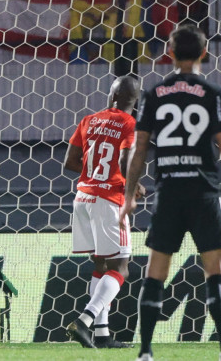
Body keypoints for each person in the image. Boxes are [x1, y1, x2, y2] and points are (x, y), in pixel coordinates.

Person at [122, 24, 221, 361]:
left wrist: (129, 195)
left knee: (156, 271)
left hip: (169, 192)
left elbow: (140, 148)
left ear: (170, 52)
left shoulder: (155, 93)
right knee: (215, 270)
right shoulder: (211, 93)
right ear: (205, 54)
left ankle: (146, 351)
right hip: (204, 190)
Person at [64, 75, 140, 349]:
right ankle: (84, 321)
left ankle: (102, 335)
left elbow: (70, 161)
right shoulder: (129, 123)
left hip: (83, 196)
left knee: (100, 265)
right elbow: (124, 159)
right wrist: (131, 188)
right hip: (109, 200)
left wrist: (96, 174)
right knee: (121, 267)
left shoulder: (88, 120)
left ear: (111, 97)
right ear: (137, 101)